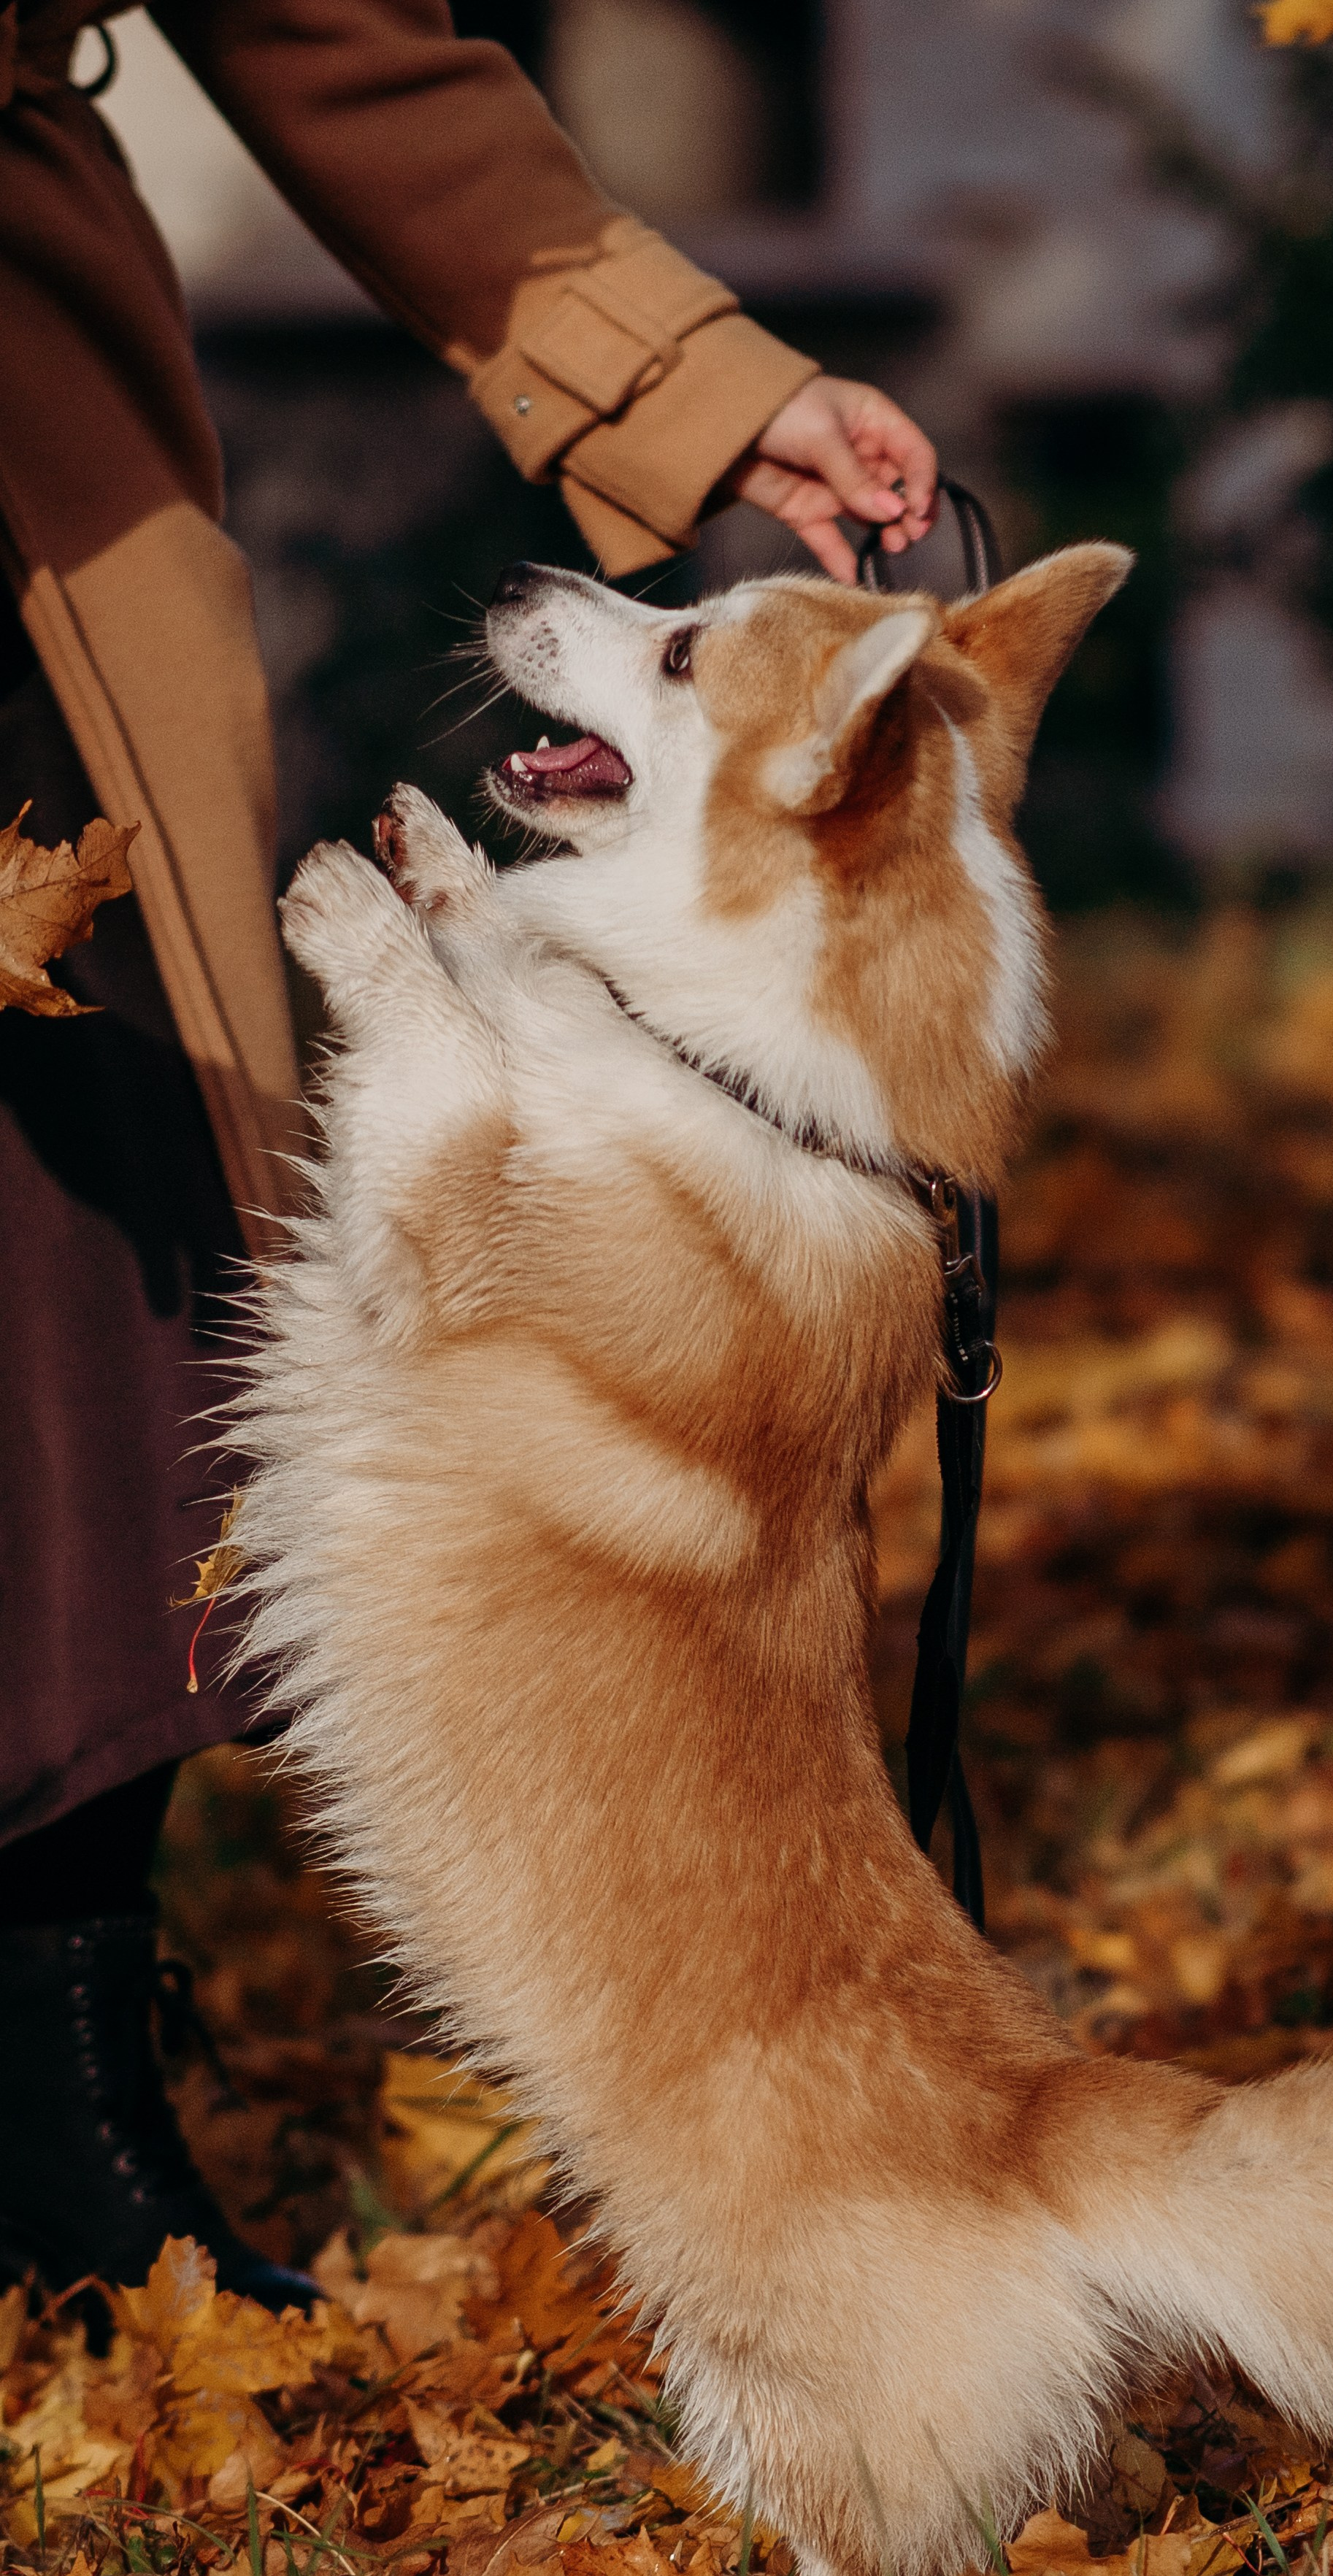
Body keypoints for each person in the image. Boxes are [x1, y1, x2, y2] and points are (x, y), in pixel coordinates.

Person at [0, 0, 937, 2307]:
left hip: (23, 464)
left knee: (88, 1258)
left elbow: (324, 12)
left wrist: (692, 382)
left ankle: (50, 2087)